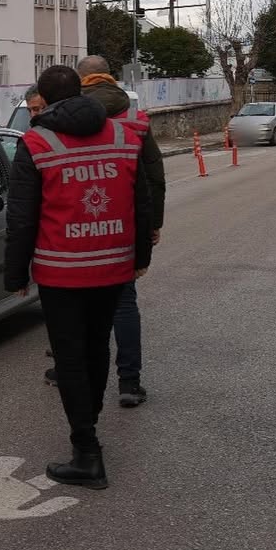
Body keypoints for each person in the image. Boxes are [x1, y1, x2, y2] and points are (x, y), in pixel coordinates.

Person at [5, 65, 154, 489]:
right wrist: (140, 257)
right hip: (112, 264)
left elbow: (22, 216)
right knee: (97, 348)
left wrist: (15, 274)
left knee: (69, 358)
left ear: (46, 102)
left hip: (61, 271)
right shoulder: (125, 135)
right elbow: (139, 202)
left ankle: (87, 451)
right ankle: (88, 429)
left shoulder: (36, 141)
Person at [43, 55, 165, 407]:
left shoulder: (62, 117)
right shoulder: (134, 117)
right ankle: (129, 382)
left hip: (70, 223)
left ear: (80, 82)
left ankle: (68, 371)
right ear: (111, 78)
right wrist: (153, 224)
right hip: (120, 223)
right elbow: (153, 177)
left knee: (72, 302)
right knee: (123, 304)